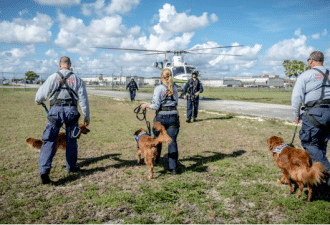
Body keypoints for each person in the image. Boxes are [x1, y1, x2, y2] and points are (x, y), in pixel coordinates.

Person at [35, 56, 90, 184]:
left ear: (60, 65)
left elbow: (40, 95)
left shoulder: (53, 76)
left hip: (55, 111)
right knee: (71, 140)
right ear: (69, 65)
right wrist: (86, 115)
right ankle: (71, 167)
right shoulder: (77, 79)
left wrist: (38, 100)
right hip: (71, 111)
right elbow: (83, 99)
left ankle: (44, 171)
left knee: (49, 140)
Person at [291, 51, 330, 186]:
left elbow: (296, 97)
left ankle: (327, 173)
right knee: (321, 144)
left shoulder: (306, 75)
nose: (308, 63)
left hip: (314, 114)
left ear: (312, 60)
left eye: (308, 60)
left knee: (309, 143)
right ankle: (319, 177)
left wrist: (296, 114)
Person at [141, 68, 180, 174]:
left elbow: (156, 105)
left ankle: (156, 159)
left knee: (158, 139)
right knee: (172, 142)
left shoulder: (159, 88)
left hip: (161, 118)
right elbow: (176, 103)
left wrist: (146, 105)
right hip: (173, 117)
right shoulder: (175, 88)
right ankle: (173, 168)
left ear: (162, 77)